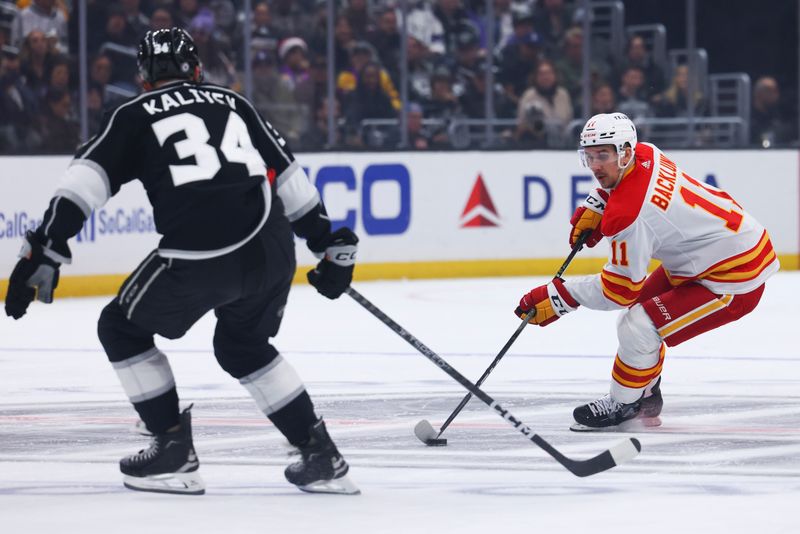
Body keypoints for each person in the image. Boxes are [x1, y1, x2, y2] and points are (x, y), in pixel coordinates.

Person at [4, 27, 360, 496]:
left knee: (120, 328)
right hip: (272, 246)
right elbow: (290, 178)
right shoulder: (235, 102)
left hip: (201, 251)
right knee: (244, 347)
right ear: (196, 69)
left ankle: (172, 449)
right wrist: (327, 246)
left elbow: (82, 185)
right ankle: (320, 454)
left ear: (144, 77)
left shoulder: (132, 113)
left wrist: (41, 250)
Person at [514, 112, 779, 431]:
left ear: (625, 152)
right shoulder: (647, 152)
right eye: (590, 156)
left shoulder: (630, 215)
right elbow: (629, 188)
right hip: (716, 252)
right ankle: (647, 393)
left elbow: (619, 290)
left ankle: (623, 403)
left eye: (604, 155)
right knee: (640, 319)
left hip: (734, 277)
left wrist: (560, 297)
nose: (596, 166)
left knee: (637, 325)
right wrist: (599, 203)